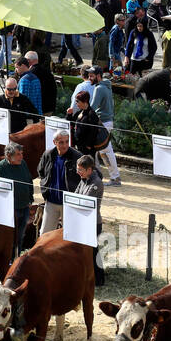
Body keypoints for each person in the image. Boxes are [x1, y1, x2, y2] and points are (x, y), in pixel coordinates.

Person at [0, 141, 34, 262]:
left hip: (24, 207)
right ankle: (6, 261)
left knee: (19, 237)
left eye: (21, 153)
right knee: (8, 238)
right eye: (18, 154)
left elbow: (29, 181)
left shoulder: (23, 163)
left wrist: (30, 198)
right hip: (8, 211)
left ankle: (16, 259)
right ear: (9, 156)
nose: (21, 156)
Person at [71, 153, 107, 285]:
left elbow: (84, 200)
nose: (78, 172)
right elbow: (75, 195)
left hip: (93, 223)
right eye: (78, 169)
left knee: (93, 251)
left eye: (80, 170)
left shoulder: (96, 183)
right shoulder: (83, 179)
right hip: (83, 220)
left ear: (89, 169)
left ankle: (99, 279)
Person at [82, 66, 121, 185]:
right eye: (89, 75)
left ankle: (115, 178)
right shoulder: (106, 86)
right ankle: (99, 175)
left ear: (98, 76)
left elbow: (92, 107)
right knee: (101, 151)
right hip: (106, 121)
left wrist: (82, 115)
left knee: (105, 151)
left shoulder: (99, 88)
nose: (89, 78)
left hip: (103, 123)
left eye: (91, 76)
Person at [38, 131, 81, 235]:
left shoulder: (77, 157)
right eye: (61, 142)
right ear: (54, 142)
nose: (65, 145)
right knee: (44, 233)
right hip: (51, 202)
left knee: (69, 235)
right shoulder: (48, 154)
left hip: (69, 204)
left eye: (67, 142)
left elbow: (91, 174)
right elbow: (41, 171)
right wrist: (45, 187)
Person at [67, 89, 109, 157]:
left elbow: (94, 131)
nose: (76, 103)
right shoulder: (80, 112)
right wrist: (69, 114)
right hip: (79, 146)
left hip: (86, 149)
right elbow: (71, 123)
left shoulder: (91, 114)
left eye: (77, 101)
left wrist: (88, 145)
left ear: (85, 101)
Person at [26, 51, 56, 117]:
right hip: (50, 107)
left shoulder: (30, 75)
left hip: (39, 109)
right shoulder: (47, 71)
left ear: (28, 61)